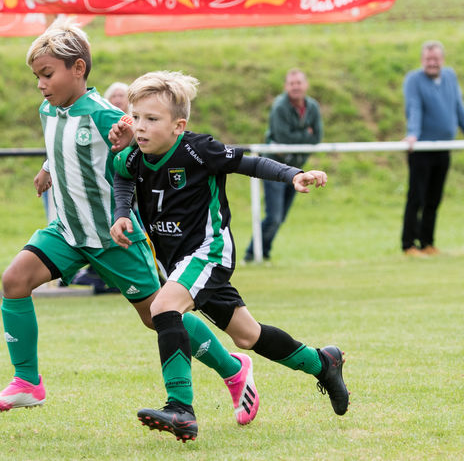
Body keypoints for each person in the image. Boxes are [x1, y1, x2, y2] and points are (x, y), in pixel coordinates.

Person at [0, 20, 260, 432]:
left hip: (114, 238)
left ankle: (233, 368)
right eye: (37, 76)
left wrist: (129, 134)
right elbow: (67, 148)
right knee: (15, 279)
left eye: (47, 74)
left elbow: (136, 146)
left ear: (78, 68)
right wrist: (48, 169)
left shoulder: (105, 115)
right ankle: (27, 382)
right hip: (68, 232)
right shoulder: (48, 110)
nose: (40, 84)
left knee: (157, 316)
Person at [109, 70, 348, 442]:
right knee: (248, 337)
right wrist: (122, 212)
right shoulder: (136, 156)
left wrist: (293, 175)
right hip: (180, 262)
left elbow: (250, 163)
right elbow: (120, 173)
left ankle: (180, 408)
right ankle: (324, 363)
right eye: (136, 117)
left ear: (178, 125)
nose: (140, 127)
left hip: (209, 252)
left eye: (152, 119)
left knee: (162, 308)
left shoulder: (196, 149)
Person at [244, 68, 323, 262]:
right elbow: (283, 136)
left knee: (281, 217)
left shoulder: (312, 106)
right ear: (286, 87)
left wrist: (304, 138)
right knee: (274, 216)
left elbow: (318, 136)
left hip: (296, 169)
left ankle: (264, 252)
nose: (295, 87)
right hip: (275, 167)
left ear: (306, 85)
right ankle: (252, 254)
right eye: (291, 83)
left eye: (299, 83)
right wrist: (307, 135)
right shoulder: (280, 106)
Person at [401, 40, 464, 256]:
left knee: (434, 199)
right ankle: (409, 244)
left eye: (435, 59)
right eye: (428, 59)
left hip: (444, 148)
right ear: (422, 61)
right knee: (416, 197)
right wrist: (413, 135)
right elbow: (414, 108)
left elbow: (458, 107)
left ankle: (427, 243)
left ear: (442, 60)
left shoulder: (450, 77)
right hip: (421, 150)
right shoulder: (414, 80)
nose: (432, 63)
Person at [69, 81, 130, 294]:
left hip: (119, 198)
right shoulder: (89, 117)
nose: (119, 99)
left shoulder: (114, 118)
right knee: (16, 279)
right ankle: (94, 274)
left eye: (123, 95)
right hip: (92, 203)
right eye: (115, 95)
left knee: (156, 305)